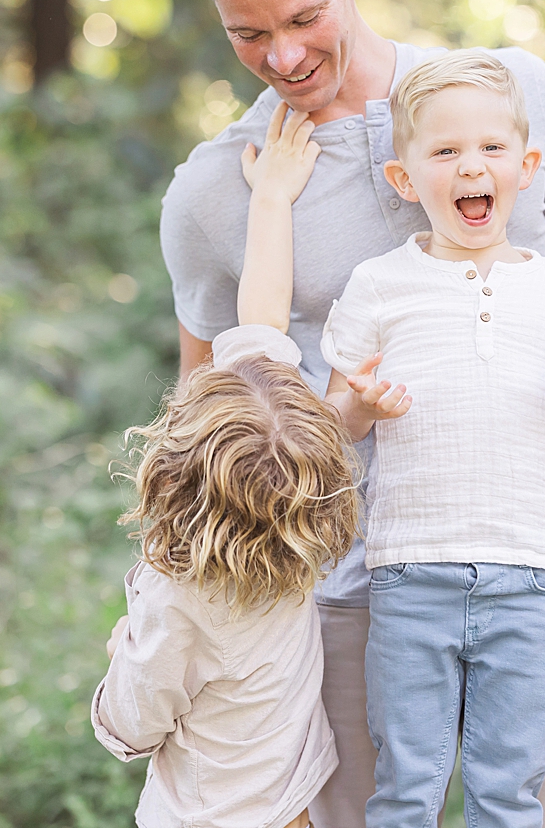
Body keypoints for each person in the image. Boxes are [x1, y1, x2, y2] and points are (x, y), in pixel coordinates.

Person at [164, 0, 545, 824]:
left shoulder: (511, 92)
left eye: (304, 20)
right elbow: (206, 406)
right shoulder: (218, 193)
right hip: (351, 589)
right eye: (247, 34)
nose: (286, 58)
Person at [301, 49, 545, 827]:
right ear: (405, 179)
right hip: (410, 570)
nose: (471, 166)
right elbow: (333, 417)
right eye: (444, 152)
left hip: (535, 571)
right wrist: (362, 407)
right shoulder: (380, 284)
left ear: (527, 166)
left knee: (507, 792)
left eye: (490, 149)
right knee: (406, 787)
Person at [91, 106, 360, 828]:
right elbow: (264, 320)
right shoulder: (295, 532)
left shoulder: (176, 603)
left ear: (175, 466)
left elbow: (130, 725)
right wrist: (272, 198)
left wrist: (127, 644)